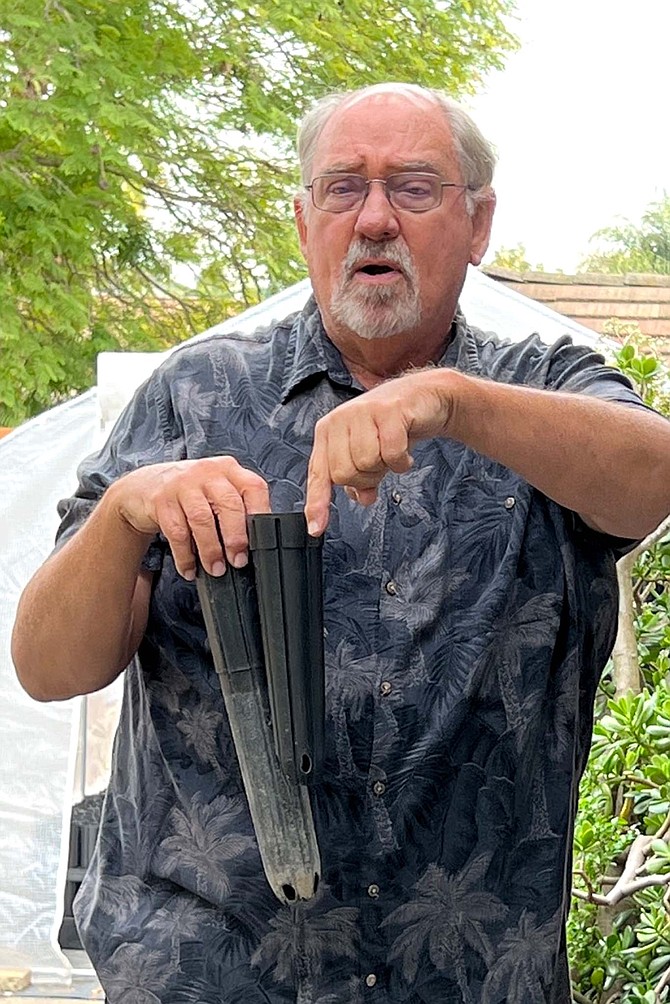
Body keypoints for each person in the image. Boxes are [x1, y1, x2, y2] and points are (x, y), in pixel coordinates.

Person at [12, 82, 670, 1004]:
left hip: (472, 980)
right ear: (302, 220)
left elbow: (656, 479)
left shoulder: (544, 389)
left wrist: (453, 401)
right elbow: (47, 666)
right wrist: (127, 511)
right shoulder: (195, 396)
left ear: (479, 225)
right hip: (206, 976)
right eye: (341, 188)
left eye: (413, 187)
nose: (373, 220)